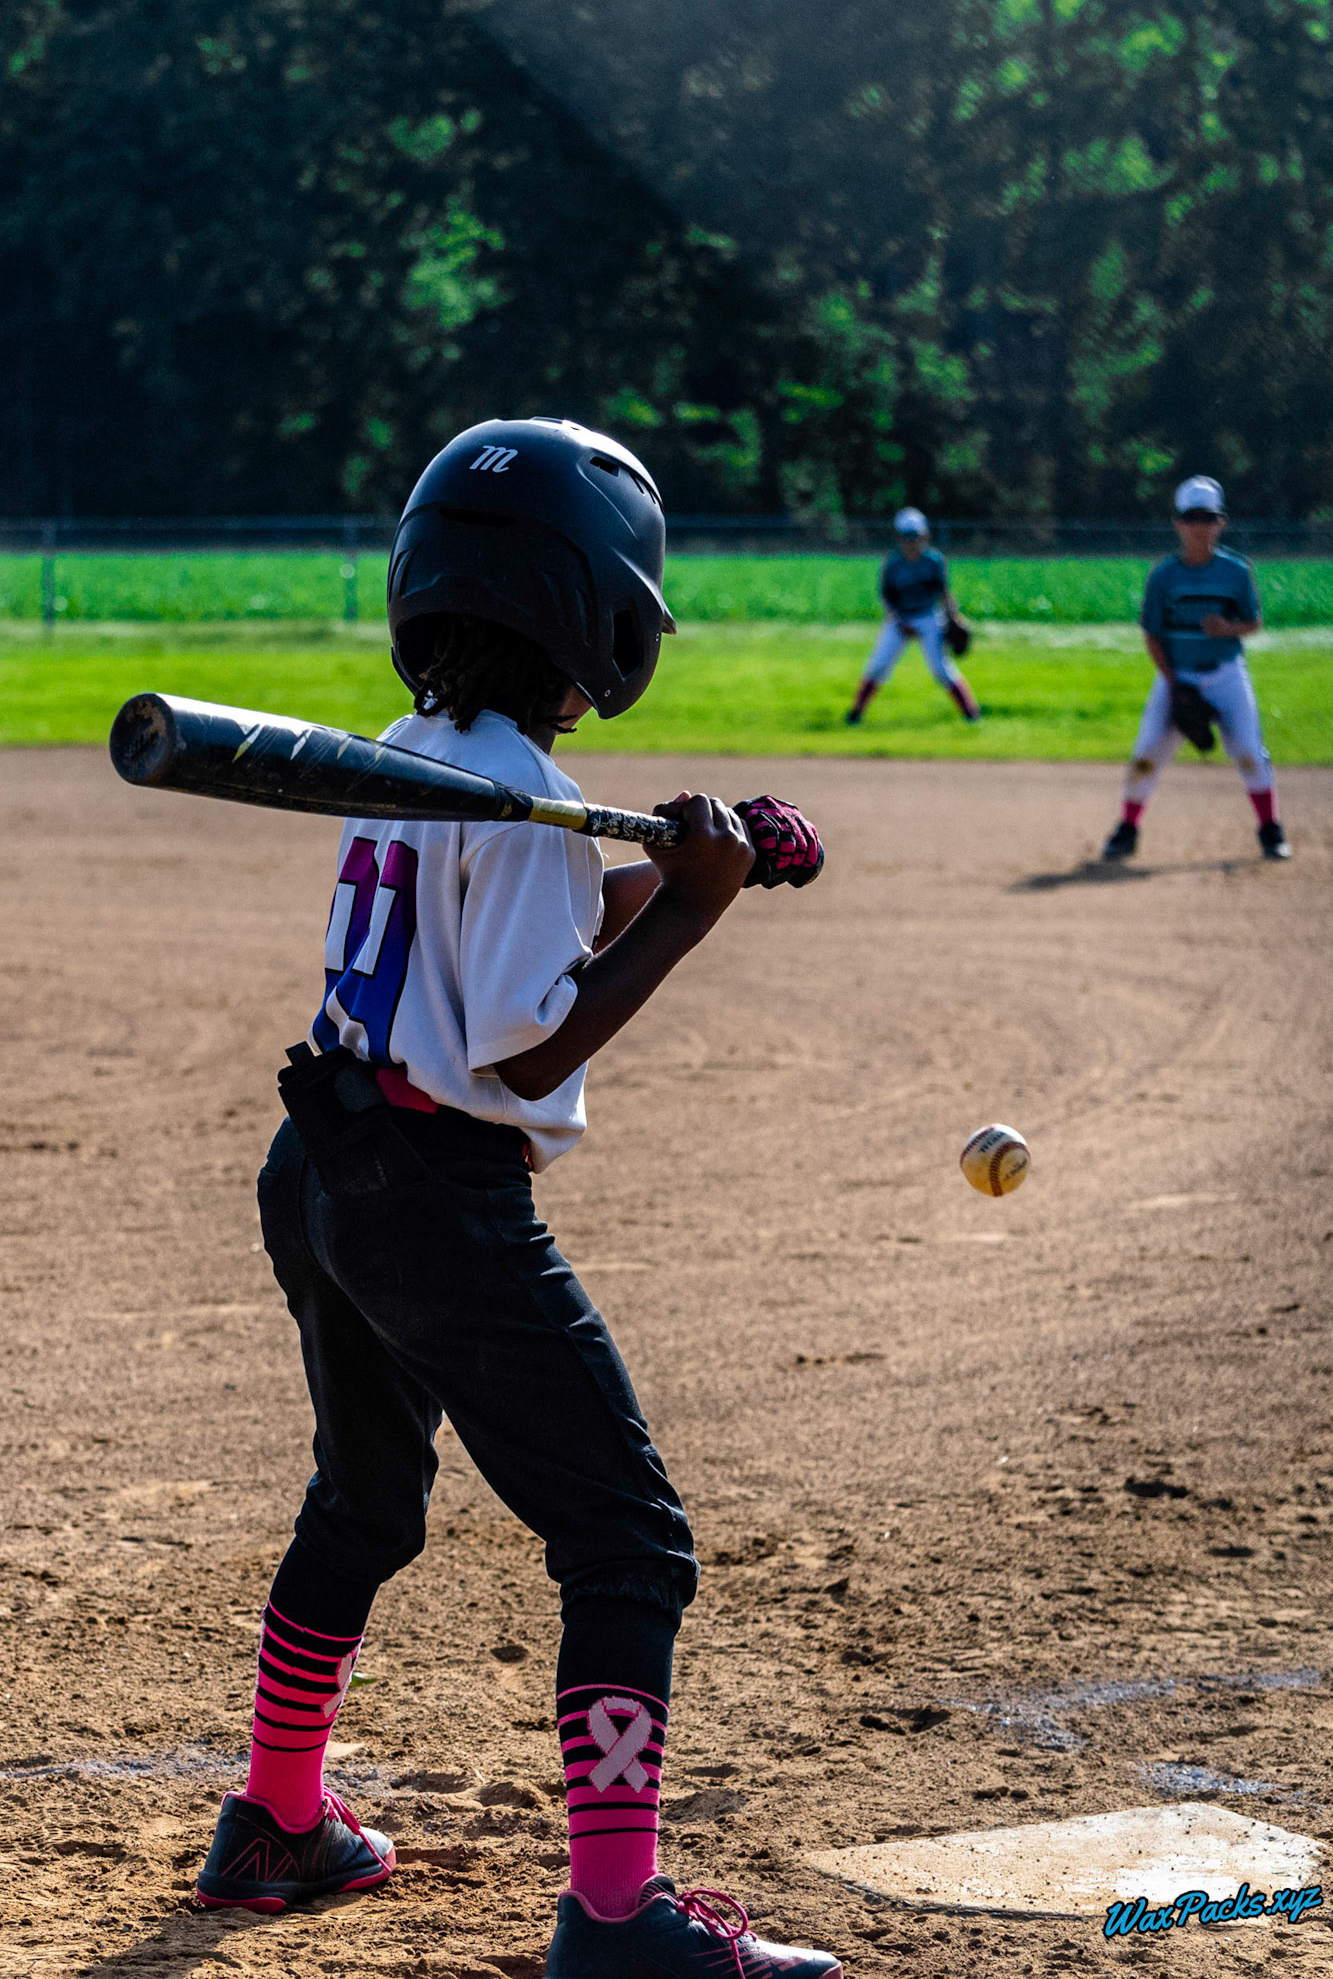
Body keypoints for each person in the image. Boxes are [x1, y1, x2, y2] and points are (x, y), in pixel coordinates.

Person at [191, 417, 840, 1979]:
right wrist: (685, 918)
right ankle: (617, 1920)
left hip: (326, 1165)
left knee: (365, 1500)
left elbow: (505, 910)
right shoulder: (521, 790)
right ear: (598, 619)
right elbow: (526, 1030)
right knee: (629, 1543)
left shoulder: (420, 761)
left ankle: (278, 1819)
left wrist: (711, 864)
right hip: (439, 1196)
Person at [1101, 476, 1290, 862]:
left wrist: (1228, 629)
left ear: (1220, 522)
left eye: (1207, 517)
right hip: (1177, 676)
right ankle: (1127, 829)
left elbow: (1254, 622)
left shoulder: (1236, 572)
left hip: (1226, 673)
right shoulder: (1163, 576)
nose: (1199, 526)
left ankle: (1270, 830)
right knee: (1147, 753)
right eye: (1191, 518)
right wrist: (1175, 686)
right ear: (1178, 524)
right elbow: (1152, 637)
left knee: (1249, 752)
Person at [845, 505, 980, 724]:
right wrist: (899, 623)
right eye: (906, 537)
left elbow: (944, 593)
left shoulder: (934, 561)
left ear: (924, 535)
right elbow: (886, 597)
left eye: (915, 536)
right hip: (900, 618)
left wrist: (954, 617)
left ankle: (971, 713)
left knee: (941, 668)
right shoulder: (893, 564)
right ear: (899, 537)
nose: (911, 542)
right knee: (878, 665)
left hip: (928, 616)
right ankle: (855, 714)